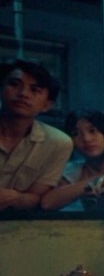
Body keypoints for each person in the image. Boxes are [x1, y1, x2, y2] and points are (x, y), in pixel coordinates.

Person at [0, 59, 72, 211]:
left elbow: (36, 200)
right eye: (14, 84)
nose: (23, 94)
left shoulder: (57, 143)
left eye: (34, 90)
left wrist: (15, 198)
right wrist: (21, 197)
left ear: (47, 105)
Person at [40, 109, 104, 211]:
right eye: (76, 133)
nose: (86, 139)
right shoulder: (74, 170)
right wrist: (101, 176)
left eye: (92, 131)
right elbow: (48, 203)